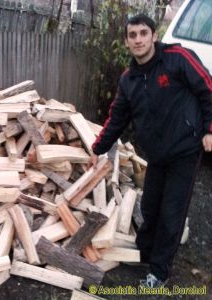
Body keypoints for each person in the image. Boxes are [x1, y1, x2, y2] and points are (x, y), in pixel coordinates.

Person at [89, 14, 212, 288]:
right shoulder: (128, 80)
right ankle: (144, 253)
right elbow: (116, 118)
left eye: (143, 33)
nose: (138, 40)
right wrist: (98, 148)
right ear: (126, 41)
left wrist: (209, 129)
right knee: (150, 207)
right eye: (132, 35)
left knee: (172, 212)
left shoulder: (178, 58)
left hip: (185, 149)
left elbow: (208, 89)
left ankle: (160, 270)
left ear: (154, 36)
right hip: (156, 154)